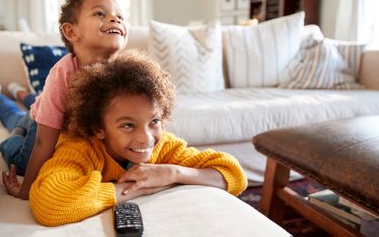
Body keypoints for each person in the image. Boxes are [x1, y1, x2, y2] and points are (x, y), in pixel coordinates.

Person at [29, 50, 248, 226]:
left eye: (154, 121)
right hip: (31, 131)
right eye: (128, 125)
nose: (146, 139)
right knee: (16, 124)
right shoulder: (80, 148)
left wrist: (171, 173)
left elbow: (234, 175)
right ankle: (1, 95)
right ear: (98, 128)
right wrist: (139, 187)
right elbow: (49, 204)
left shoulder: (163, 145)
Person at [0, 0, 129, 200]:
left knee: (33, 105)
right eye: (100, 13)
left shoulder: (128, 72)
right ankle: (0, 104)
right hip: (43, 126)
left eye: (120, 16)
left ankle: (20, 95)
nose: (115, 19)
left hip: (54, 114)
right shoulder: (64, 73)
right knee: (22, 158)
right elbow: (43, 141)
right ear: (71, 31)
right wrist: (25, 191)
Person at [0, 82, 38, 174]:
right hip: (38, 116)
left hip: (38, 112)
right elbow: (21, 164)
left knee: (12, 113)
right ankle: (11, 92)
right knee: (12, 114)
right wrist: (18, 130)